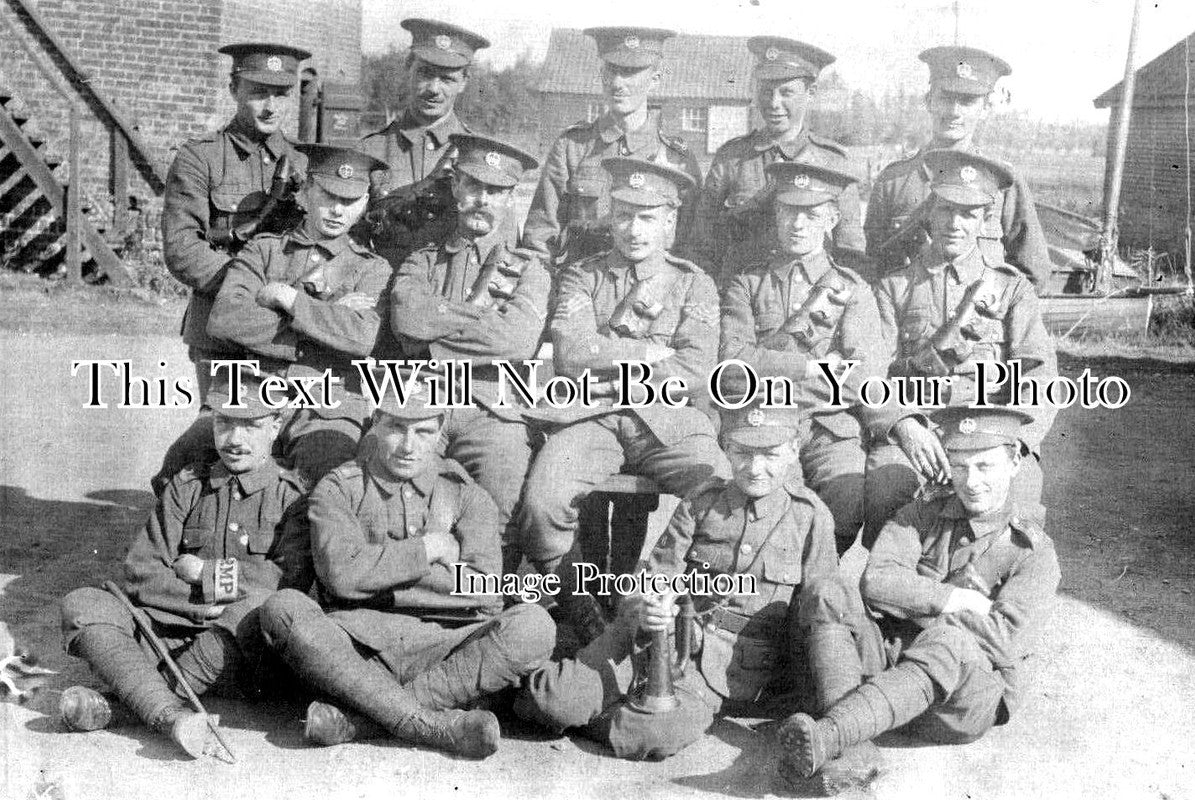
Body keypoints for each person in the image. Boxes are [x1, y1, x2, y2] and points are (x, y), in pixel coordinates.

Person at [516, 403, 838, 760]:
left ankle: (617, 713)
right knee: (551, 701)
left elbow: (821, 614)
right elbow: (655, 576)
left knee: (651, 734)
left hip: (723, 668)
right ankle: (512, 685)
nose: (755, 468)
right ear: (726, 448)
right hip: (652, 637)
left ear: (794, 450)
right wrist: (646, 607)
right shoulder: (702, 502)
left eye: (770, 455)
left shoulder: (810, 517)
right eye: (743, 453)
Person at [257, 382, 556, 759]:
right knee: (283, 609)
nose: (408, 445)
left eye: (423, 432)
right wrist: (428, 550)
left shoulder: (465, 494)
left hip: (445, 648)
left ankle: (360, 720)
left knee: (535, 626)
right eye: (397, 427)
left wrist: (376, 572)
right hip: (357, 647)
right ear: (376, 423)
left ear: (441, 429)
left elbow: (484, 592)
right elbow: (340, 576)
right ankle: (435, 726)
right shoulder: (340, 487)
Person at [778, 406, 1060, 795]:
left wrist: (915, 605)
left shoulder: (1034, 551)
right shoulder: (922, 513)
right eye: (959, 467)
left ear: (1014, 463)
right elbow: (875, 581)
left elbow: (1004, 641)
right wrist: (951, 598)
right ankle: (853, 746)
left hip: (958, 703)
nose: (971, 481)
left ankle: (832, 732)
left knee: (949, 643)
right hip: (891, 675)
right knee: (830, 590)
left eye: (985, 466)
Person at [519, 157, 730, 645]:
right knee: (541, 502)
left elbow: (696, 368)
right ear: (610, 217)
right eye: (624, 215)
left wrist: (612, 363)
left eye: (648, 217)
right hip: (592, 419)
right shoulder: (581, 276)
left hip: (672, 424)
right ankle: (580, 605)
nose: (634, 229)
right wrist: (652, 354)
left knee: (721, 490)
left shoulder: (693, 282)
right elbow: (571, 355)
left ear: (670, 223)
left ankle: (669, 607)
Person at [58, 377, 311, 758]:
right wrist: (202, 605)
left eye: (251, 425)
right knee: (84, 603)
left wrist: (203, 573)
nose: (235, 439)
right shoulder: (188, 485)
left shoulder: (292, 499)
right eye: (224, 422)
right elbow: (143, 569)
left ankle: (138, 703)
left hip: (240, 649)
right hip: (169, 629)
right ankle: (173, 714)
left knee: (259, 610)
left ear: (277, 425)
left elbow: (282, 583)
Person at [720, 161, 920, 555]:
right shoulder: (747, 283)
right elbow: (730, 368)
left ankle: (812, 593)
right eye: (789, 212)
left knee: (846, 500)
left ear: (830, 220)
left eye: (810, 215)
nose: (798, 224)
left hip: (830, 430)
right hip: (763, 420)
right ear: (775, 214)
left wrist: (769, 369)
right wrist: (811, 368)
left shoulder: (852, 290)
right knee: (772, 503)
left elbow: (864, 377)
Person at [867, 150, 1057, 546]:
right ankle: (895, 593)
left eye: (968, 213)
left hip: (991, 426)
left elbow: (1040, 377)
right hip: (921, 427)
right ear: (929, 212)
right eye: (946, 210)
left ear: (986, 218)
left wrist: (1013, 441)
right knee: (888, 490)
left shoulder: (1012, 289)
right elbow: (869, 372)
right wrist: (903, 423)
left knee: (1019, 498)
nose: (955, 223)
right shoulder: (894, 287)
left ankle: (994, 599)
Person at [388, 133, 548, 573]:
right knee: (394, 496)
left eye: (495, 191)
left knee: (499, 508)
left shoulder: (527, 269)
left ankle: (484, 599)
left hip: (491, 413)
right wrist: (477, 326)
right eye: (474, 187)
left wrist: (435, 337)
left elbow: (516, 340)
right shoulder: (423, 258)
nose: (482, 200)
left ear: (511, 196)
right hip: (422, 403)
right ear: (456, 187)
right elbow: (406, 321)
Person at [156, 42, 310, 491]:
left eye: (281, 94)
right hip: (219, 328)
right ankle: (172, 510)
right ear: (233, 88)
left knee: (278, 435)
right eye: (258, 91)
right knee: (219, 434)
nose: (270, 105)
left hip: (282, 329)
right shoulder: (200, 157)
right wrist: (246, 288)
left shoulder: (302, 163)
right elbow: (182, 248)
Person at [206, 144, 393, 488]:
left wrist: (286, 297)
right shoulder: (264, 249)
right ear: (305, 194)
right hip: (254, 392)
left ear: (365, 204)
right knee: (182, 465)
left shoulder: (373, 269)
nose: (337, 209)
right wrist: (328, 320)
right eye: (327, 196)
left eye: (350, 201)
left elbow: (362, 338)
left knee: (325, 480)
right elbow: (224, 319)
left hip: (327, 404)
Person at [864, 46, 1051, 289]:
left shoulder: (1003, 183)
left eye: (967, 101)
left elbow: (1033, 273)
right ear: (928, 101)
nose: (954, 112)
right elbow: (871, 267)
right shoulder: (894, 181)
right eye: (945, 98)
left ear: (985, 108)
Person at [688, 36, 864, 283]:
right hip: (740, 296)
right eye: (766, 91)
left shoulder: (833, 162)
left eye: (786, 93)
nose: (773, 103)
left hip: (809, 302)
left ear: (810, 93)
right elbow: (701, 244)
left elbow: (850, 252)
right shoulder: (732, 158)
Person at [522, 26, 701, 265]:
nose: (617, 83)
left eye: (630, 72)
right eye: (611, 71)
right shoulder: (572, 147)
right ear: (601, 73)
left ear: (655, 79)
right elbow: (540, 238)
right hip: (578, 287)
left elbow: (692, 245)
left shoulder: (677, 159)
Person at [358, 18, 492, 266]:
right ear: (409, 68)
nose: (433, 89)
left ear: (464, 82)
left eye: (447, 79)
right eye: (425, 74)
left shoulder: (478, 157)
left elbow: (494, 245)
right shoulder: (368, 151)